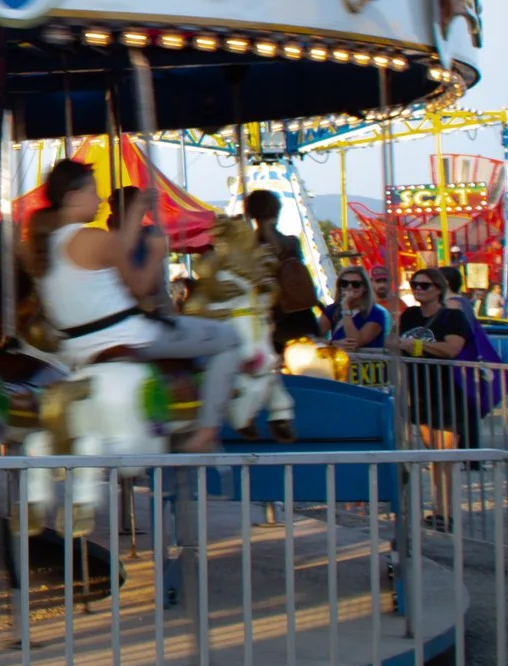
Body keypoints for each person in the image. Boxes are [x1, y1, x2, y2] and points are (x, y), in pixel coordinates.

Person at [26, 161, 244, 452]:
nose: (100, 198)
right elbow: (140, 289)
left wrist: (136, 214)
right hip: (132, 336)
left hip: (77, 349)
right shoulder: (93, 238)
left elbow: (119, 246)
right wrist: (155, 254)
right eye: (93, 191)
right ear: (72, 196)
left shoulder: (42, 248)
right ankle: (206, 431)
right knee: (230, 339)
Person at [394, 270, 479, 529]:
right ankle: (437, 510)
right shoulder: (409, 315)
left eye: (424, 285)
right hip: (418, 390)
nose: (418, 289)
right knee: (433, 456)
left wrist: (417, 347)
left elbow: (452, 348)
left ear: (438, 288)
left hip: (446, 390)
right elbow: (393, 340)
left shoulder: (453, 317)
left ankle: (446, 512)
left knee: (444, 456)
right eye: (414, 285)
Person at [241, 190, 320, 349]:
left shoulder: (246, 251)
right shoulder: (291, 244)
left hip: (264, 321)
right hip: (299, 317)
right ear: (276, 212)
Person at [322, 268, 388, 356]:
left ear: (365, 288)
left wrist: (345, 307)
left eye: (355, 284)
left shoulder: (376, 313)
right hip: (341, 365)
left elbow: (354, 342)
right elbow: (313, 338)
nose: (349, 287)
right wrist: (333, 344)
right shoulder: (332, 310)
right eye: (344, 283)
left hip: (368, 366)